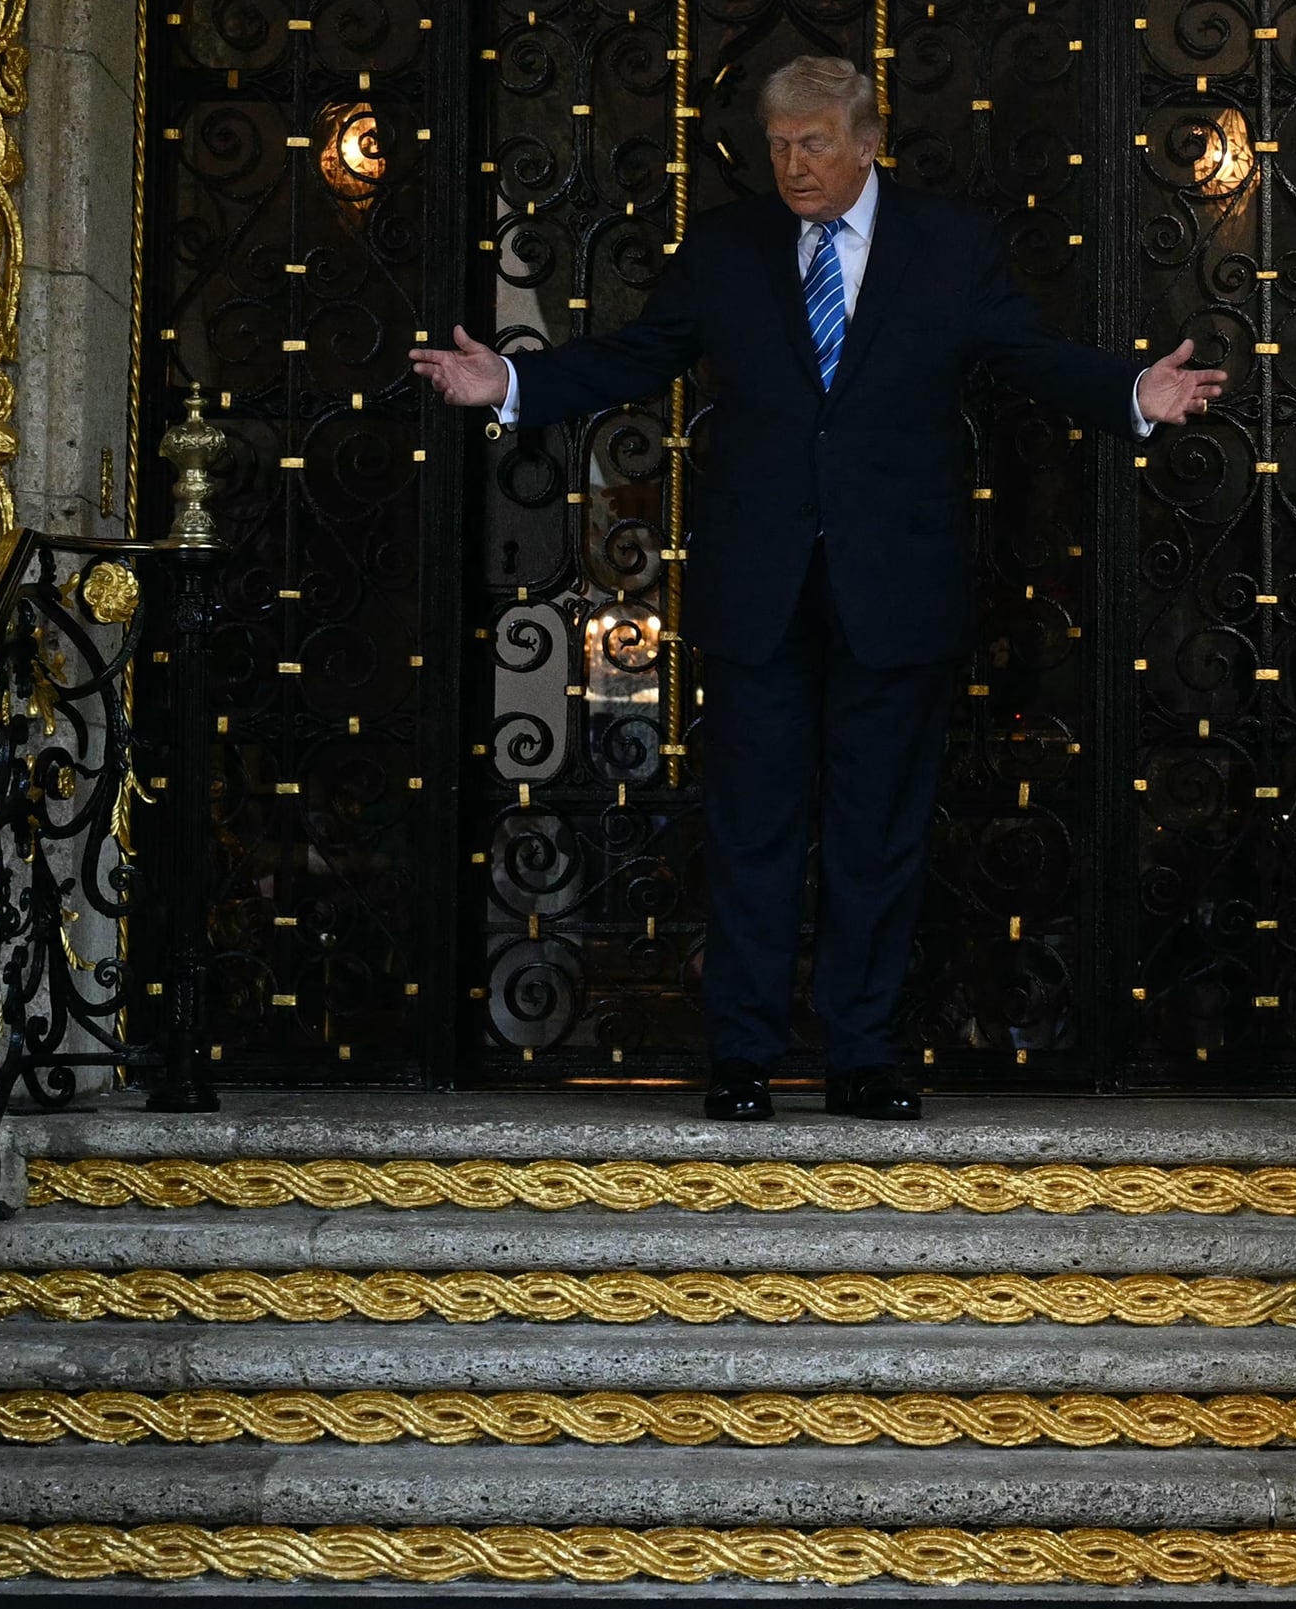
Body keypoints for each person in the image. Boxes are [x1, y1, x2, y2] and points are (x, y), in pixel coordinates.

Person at [412, 56, 1225, 1119]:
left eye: (815, 145)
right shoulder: (727, 247)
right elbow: (640, 354)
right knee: (751, 829)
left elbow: (1028, 357)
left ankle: (864, 1058)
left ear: (867, 141)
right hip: (760, 592)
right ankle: (742, 1058)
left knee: (877, 835)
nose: (793, 165)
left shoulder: (950, 244)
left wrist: (1132, 391)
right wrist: (513, 382)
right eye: (779, 145)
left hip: (895, 590)